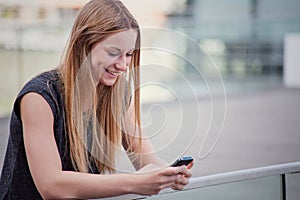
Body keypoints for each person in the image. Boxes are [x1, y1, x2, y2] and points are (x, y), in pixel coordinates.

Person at [0, 0, 193, 199]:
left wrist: (170, 174)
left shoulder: (119, 93)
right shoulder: (39, 97)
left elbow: (147, 161)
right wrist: (135, 183)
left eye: (128, 55)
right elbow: (51, 186)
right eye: (113, 53)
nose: (123, 65)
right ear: (84, 45)